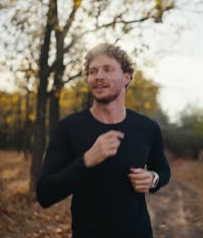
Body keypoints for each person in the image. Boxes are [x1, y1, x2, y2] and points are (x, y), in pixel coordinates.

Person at [36, 43, 171, 238]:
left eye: (107, 69)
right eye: (93, 71)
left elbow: (163, 170)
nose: (98, 76)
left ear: (126, 77)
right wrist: (86, 161)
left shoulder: (147, 128)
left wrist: (153, 179)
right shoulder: (68, 128)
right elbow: (45, 194)